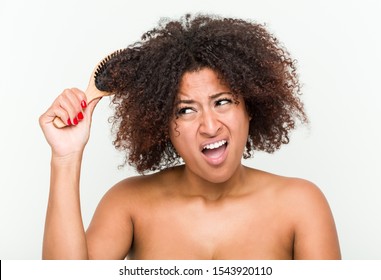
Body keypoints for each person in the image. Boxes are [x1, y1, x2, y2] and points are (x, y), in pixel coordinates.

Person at [39, 13, 341, 260]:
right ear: (162, 123)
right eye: (185, 110)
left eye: (222, 102)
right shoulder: (129, 203)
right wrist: (66, 157)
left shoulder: (300, 205)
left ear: (250, 107)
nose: (210, 126)